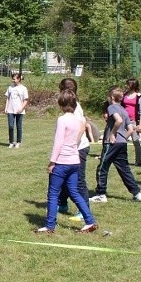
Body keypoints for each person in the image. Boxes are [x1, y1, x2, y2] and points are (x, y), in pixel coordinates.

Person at [36, 90, 97, 234]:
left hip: (62, 162)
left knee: (53, 194)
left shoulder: (62, 120)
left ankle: (50, 226)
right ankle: (89, 221)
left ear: (60, 104)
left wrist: (52, 162)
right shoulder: (77, 120)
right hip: (74, 161)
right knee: (74, 192)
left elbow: (58, 143)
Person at [90, 87, 141, 203]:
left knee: (102, 168)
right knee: (124, 169)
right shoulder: (124, 110)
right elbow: (130, 129)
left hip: (111, 143)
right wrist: (123, 137)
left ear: (112, 97)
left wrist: (113, 134)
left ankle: (101, 194)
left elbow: (118, 120)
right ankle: (137, 193)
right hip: (122, 144)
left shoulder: (112, 107)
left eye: (108, 97)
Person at [57, 78, 91, 220]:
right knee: (64, 177)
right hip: (74, 148)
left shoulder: (75, 107)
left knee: (79, 181)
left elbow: (83, 125)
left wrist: (73, 144)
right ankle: (63, 204)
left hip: (79, 148)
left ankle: (83, 211)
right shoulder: (73, 105)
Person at [122, 78, 141, 166]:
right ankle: (122, 159)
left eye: (128, 84)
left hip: (133, 121)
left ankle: (138, 161)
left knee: (135, 141)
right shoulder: (124, 95)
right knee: (122, 140)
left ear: (133, 85)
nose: (126, 86)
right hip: (123, 121)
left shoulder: (140, 96)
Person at [4, 73, 28, 148]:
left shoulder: (23, 88)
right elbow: (8, 98)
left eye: (14, 79)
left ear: (18, 79)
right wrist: (6, 107)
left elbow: (26, 100)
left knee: (19, 126)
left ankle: (18, 141)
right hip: (10, 110)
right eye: (12, 79)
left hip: (19, 111)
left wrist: (21, 108)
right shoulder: (10, 87)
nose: (13, 80)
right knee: (11, 126)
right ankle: (11, 142)